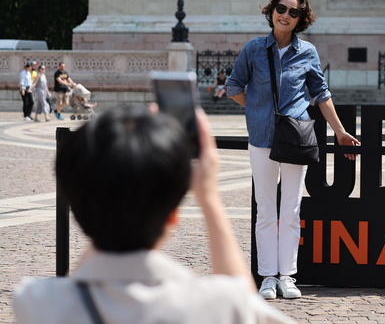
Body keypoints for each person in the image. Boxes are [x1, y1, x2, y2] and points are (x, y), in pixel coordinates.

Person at [13, 104, 296, 324]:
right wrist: (208, 197)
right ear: (174, 215)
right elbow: (248, 308)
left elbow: (91, 223)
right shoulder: (214, 304)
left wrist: (97, 201)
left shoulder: (36, 302)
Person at [226, 0, 359, 300]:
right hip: (261, 140)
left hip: (296, 138)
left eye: (293, 12)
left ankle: (287, 275)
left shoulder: (307, 52)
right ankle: (268, 277)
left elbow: (321, 93)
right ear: (272, 11)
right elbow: (234, 86)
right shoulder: (254, 49)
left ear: (301, 19)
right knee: (265, 211)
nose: (285, 15)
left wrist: (339, 131)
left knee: (291, 209)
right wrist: (257, 110)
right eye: (281, 9)